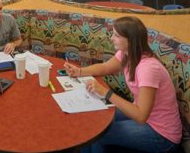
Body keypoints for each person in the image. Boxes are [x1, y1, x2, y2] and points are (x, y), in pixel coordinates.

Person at [64, 17, 181, 153]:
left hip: (162, 135)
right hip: (144, 116)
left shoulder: (148, 68)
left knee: (97, 133)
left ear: (131, 40)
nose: (112, 38)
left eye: (117, 36)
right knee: (92, 122)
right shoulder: (126, 54)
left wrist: (106, 93)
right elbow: (105, 67)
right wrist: (79, 71)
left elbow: (141, 115)